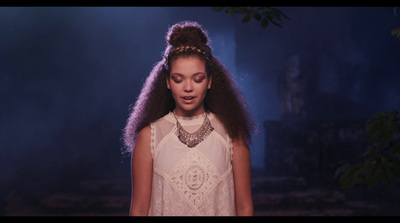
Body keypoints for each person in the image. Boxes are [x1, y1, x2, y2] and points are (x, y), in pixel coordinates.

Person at [123, 21, 256, 216]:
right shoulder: (150, 136)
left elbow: (244, 207)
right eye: (178, 79)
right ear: (167, 82)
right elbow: (139, 209)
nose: (188, 87)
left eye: (197, 79)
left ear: (210, 81)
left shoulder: (231, 133)